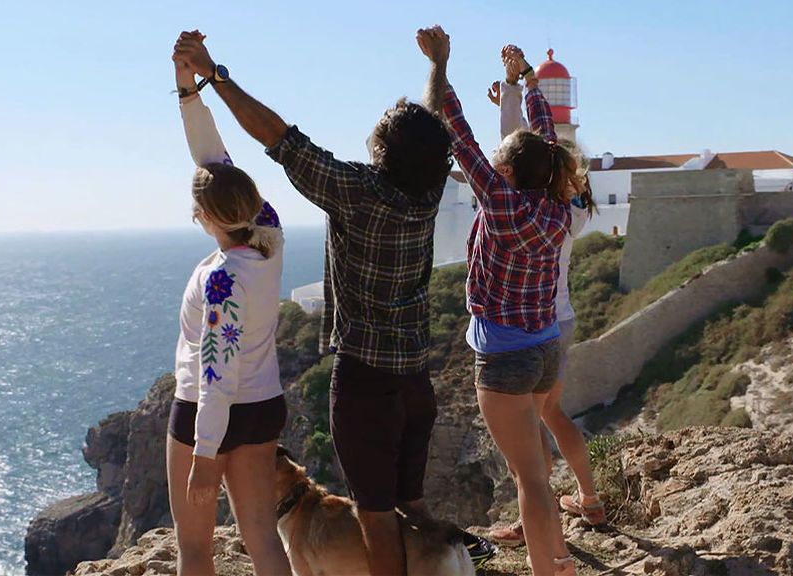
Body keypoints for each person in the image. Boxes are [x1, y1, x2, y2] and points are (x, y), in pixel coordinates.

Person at [172, 28, 494, 575]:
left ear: (384, 152)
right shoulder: (428, 188)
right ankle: (451, 563)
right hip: (416, 377)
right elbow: (433, 119)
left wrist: (213, 76)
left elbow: (279, 137)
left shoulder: (357, 192)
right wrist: (439, 63)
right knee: (408, 503)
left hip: (366, 379)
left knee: (375, 514)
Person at [424, 27, 585, 576]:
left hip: (506, 357)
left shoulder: (502, 203)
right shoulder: (556, 208)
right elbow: (547, 141)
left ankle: (550, 566)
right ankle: (556, 556)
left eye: (500, 161)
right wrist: (527, 82)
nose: (491, 164)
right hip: (544, 350)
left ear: (509, 171)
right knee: (536, 466)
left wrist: (441, 63)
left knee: (529, 476)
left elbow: (456, 129)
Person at [167, 36, 291, 576]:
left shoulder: (221, 279)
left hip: (207, 413)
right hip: (263, 405)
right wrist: (188, 89)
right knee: (262, 538)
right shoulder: (269, 237)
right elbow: (216, 164)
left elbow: (216, 373)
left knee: (194, 549)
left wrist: (202, 456)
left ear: (203, 216)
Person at [485, 47, 606, 548]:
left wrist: (514, 92)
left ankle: (536, 517)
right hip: (563, 320)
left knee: (528, 432)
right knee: (552, 414)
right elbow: (536, 147)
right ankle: (590, 501)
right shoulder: (570, 209)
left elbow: (515, 152)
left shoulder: (529, 207)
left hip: (529, 327)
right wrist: (523, 86)